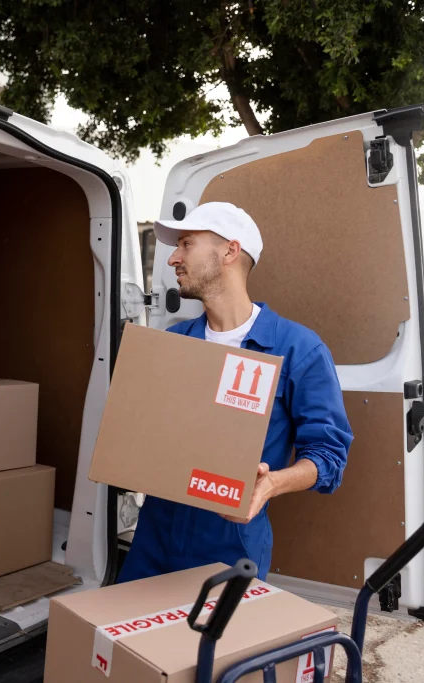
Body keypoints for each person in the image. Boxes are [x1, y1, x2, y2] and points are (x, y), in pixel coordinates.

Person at [116, 202, 353, 582]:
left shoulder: (297, 349)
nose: (173, 258)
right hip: (154, 537)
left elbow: (328, 457)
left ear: (230, 250)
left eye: (186, 244)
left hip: (230, 543)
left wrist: (271, 483)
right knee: (132, 640)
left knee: (213, 643)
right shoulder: (173, 343)